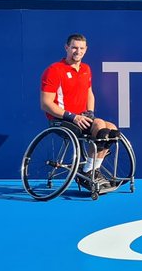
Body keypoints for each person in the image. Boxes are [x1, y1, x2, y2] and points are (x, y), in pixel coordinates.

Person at [40, 33, 121, 192]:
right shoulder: (54, 70)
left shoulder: (86, 69)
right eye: (74, 48)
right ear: (66, 48)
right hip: (61, 119)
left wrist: (89, 112)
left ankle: (93, 170)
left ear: (86, 49)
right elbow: (46, 104)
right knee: (99, 125)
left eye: (81, 48)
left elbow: (89, 92)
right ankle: (86, 172)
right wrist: (73, 116)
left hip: (81, 117)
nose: (78, 51)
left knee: (111, 129)